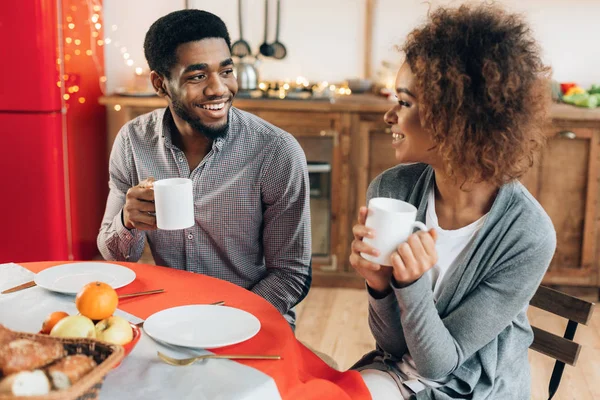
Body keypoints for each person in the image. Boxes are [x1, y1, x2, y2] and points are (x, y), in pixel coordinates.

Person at [349, 4, 556, 399]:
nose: (390, 116)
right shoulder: (391, 191)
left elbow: (441, 364)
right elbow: (394, 348)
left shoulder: (528, 235)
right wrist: (378, 285)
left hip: (474, 388)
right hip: (399, 374)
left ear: (455, 118)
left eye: (406, 103)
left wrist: (411, 285)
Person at [97, 9, 311, 328]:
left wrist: (222, 321)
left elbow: (291, 275)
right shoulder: (133, 142)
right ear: (160, 84)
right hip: (169, 315)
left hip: (253, 317)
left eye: (226, 71)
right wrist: (128, 223)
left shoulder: (276, 152)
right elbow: (115, 257)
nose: (219, 89)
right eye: (198, 76)